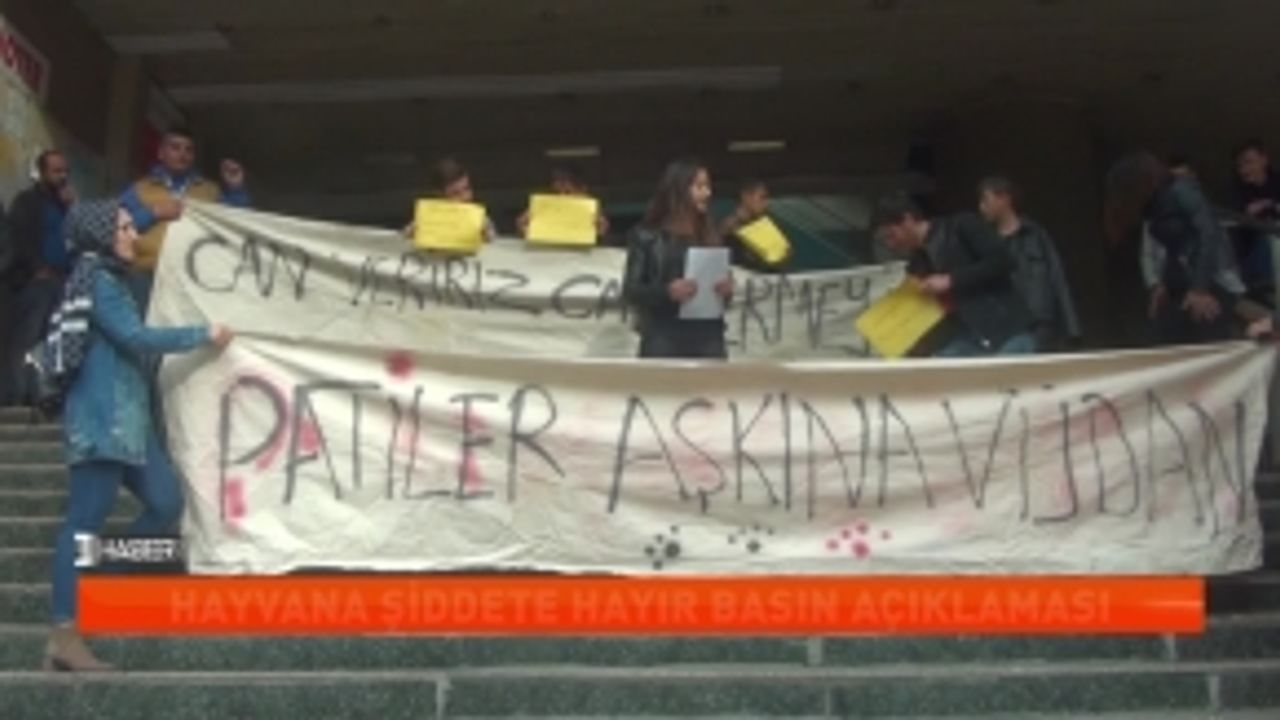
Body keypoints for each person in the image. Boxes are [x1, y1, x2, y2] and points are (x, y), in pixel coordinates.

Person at [44, 199, 231, 671]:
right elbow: (135, 338)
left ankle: (102, 583)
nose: (135, 235)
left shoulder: (110, 280)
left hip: (129, 425)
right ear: (101, 236)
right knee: (82, 525)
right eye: (125, 228)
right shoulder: (98, 282)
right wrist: (203, 334)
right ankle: (64, 633)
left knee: (166, 503)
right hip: (103, 424)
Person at [1105, 151, 1242, 345]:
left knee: (1204, 333)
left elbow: (1208, 235)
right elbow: (1176, 250)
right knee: (1162, 336)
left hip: (1210, 282)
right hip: (1182, 285)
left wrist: (1199, 288)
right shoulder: (1154, 206)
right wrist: (1163, 285)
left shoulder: (1181, 191)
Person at [875, 194, 1035, 357]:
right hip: (965, 336)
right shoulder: (917, 264)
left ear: (907, 221)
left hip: (1005, 328)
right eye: (885, 240)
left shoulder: (961, 227)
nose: (891, 244)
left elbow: (1003, 261)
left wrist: (951, 280)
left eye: (892, 235)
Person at [119, 127, 250, 311]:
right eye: (175, 147)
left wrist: (235, 188)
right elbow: (117, 228)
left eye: (189, 150)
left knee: (189, 329)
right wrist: (153, 213)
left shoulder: (209, 191)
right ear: (161, 153)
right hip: (146, 277)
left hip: (194, 278)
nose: (183, 154)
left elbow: (236, 224)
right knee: (141, 328)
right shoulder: (139, 189)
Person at [624, 159, 734, 359]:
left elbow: (722, 292)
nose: (707, 193)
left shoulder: (711, 234)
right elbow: (632, 290)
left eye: (708, 187)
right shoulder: (646, 236)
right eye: (699, 187)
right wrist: (667, 292)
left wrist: (726, 289)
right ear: (680, 190)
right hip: (663, 334)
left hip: (708, 336)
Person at [4, 150, 76, 405]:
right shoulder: (28, 202)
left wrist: (72, 207)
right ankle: (14, 392)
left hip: (63, 281)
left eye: (64, 171)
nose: (62, 176)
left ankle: (42, 392)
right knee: (27, 337)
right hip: (36, 282)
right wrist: (35, 268)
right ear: (42, 173)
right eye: (56, 171)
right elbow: (17, 239)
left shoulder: (67, 205)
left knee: (53, 339)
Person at [977, 176, 1080, 351]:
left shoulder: (1035, 235)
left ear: (1004, 198)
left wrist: (1072, 328)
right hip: (1005, 325)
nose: (982, 207)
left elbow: (1057, 278)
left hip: (1039, 323)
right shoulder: (985, 241)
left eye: (986, 199)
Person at [1231, 139, 1279, 307]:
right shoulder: (1236, 191)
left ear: (1264, 160)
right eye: (1240, 165)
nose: (1245, 169)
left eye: (1249, 162)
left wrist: (1269, 205)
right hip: (1251, 261)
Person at [516, 165, 610, 240]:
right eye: (556, 193)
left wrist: (600, 231)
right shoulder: (542, 207)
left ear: (582, 191)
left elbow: (601, 235)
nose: (562, 196)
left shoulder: (590, 208)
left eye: (568, 192)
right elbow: (523, 228)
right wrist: (523, 226)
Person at [718, 178, 788, 273]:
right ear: (746, 197)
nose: (766, 204)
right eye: (762, 198)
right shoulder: (728, 227)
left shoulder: (763, 226)